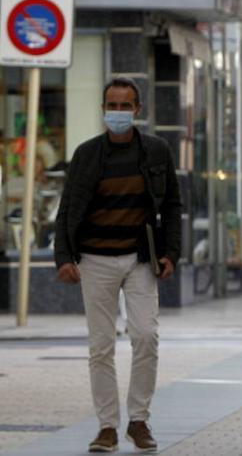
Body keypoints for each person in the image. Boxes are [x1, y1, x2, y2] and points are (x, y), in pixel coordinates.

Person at [54, 79, 181, 454]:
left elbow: (172, 205)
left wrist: (170, 252)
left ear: (137, 110)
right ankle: (107, 426)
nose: (119, 112)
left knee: (145, 335)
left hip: (140, 258)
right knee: (101, 345)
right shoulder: (86, 154)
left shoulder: (156, 151)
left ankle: (138, 420)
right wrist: (64, 257)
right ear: (102, 108)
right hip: (94, 260)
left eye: (126, 106)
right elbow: (67, 209)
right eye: (112, 104)